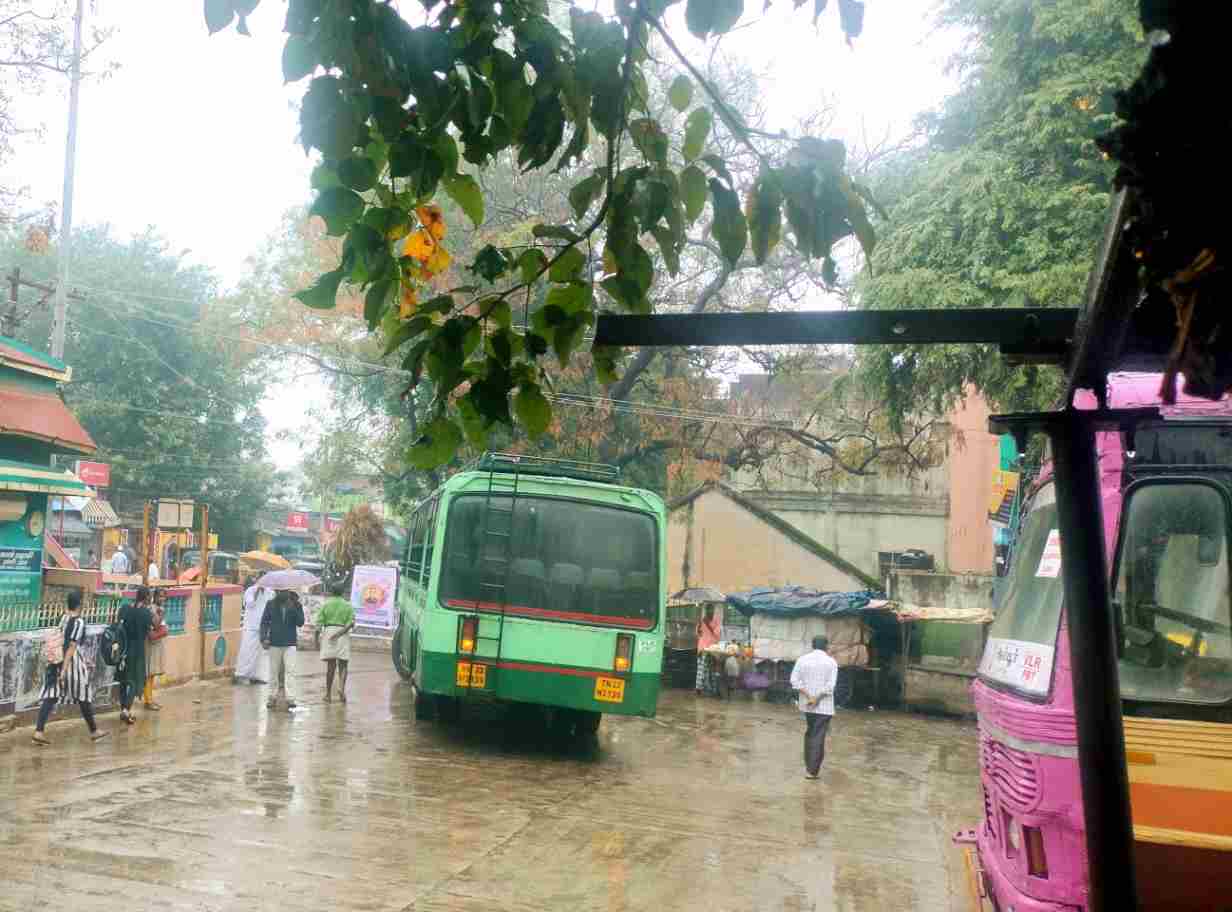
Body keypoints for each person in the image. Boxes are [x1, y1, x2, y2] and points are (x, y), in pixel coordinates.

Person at [31, 591, 110, 746]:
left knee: (51, 695)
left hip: (57, 660)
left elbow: (61, 641)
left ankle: (38, 731)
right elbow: (72, 646)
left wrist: (59, 667)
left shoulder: (63, 618)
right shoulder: (79, 622)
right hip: (70, 662)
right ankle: (94, 731)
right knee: (83, 694)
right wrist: (65, 670)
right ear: (80, 604)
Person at [790, 635, 839, 780]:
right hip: (824, 706)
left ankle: (809, 766)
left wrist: (809, 697)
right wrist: (817, 698)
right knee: (818, 735)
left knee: (811, 732)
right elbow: (830, 686)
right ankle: (812, 771)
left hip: (807, 705)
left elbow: (794, 680)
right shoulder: (831, 662)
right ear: (826, 646)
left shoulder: (802, 660)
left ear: (812, 645)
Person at [261, 589, 304, 710]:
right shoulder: (271, 604)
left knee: (290, 670)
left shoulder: (296, 604)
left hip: (290, 643)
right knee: (273, 671)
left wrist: (294, 607)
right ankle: (272, 697)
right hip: (274, 642)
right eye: (278, 591)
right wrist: (263, 638)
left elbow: (300, 622)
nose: (280, 593)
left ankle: (290, 698)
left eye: (283, 591)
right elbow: (264, 622)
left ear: (288, 592)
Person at [117, 586, 154, 724]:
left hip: (124, 648)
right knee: (134, 681)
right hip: (137, 650)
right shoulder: (146, 613)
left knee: (123, 680)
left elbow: (119, 623)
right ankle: (126, 710)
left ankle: (123, 710)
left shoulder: (126, 609)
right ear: (146, 598)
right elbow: (152, 630)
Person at [317, 580, 356, 703]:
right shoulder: (348, 605)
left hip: (329, 632)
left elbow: (319, 624)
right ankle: (341, 689)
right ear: (343, 592)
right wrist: (340, 633)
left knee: (331, 666)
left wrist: (316, 639)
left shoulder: (326, 604)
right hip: (343, 634)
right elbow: (351, 623)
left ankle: (328, 695)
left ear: (331, 592)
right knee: (343, 664)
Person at [236, 577, 271, 684]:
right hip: (250, 626)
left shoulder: (270, 592)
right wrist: (256, 591)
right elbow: (250, 604)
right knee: (247, 651)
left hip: (263, 627)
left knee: (260, 653)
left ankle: (255, 676)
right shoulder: (250, 590)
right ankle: (242, 675)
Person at [143, 589, 168, 711]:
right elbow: (156, 625)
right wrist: (161, 614)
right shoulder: (152, 609)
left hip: (156, 644)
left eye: (164, 597)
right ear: (155, 597)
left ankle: (150, 699)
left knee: (152, 673)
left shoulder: (159, 609)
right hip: (150, 644)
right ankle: (148, 701)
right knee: (149, 673)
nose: (162, 599)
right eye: (160, 596)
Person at [695, 603, 722, 695]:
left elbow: (717, 635)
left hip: (713, 648)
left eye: (711, 610)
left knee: (712, 668)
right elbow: (698, 634)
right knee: (701, 668)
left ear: (713, 611)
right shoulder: (702, 620)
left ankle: (712, 688)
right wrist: (699, 626)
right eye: (708, 610)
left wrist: (707, 624)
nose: (710, 612)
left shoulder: (716, 621)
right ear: (706, 611)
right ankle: (699, 688)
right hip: (702, 647)